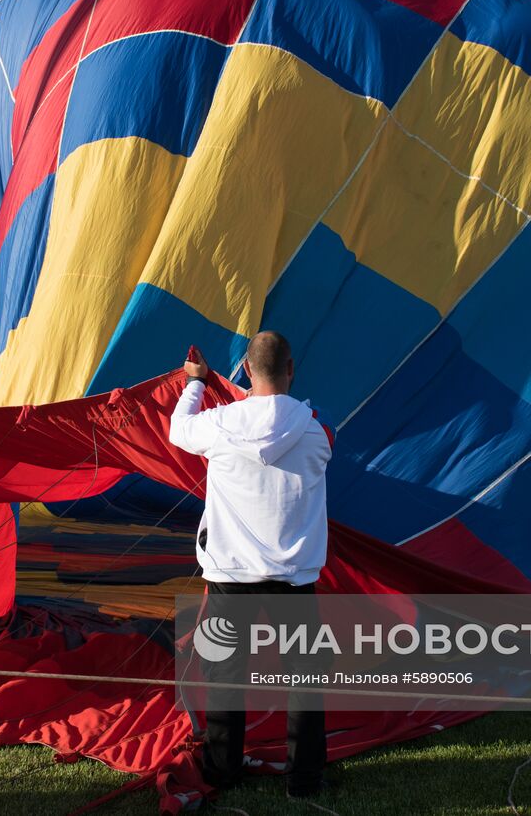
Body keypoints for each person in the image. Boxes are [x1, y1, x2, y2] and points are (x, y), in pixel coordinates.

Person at [168, 332, 333, 798]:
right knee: (305, 677)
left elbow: (177, 429)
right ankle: (304, 779)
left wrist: (196, 384)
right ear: (292, 369)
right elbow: (316, 448)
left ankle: (221, 770)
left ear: (243, 369)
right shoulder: (316, 432)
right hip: (293, 579)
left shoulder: (218, 424)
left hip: (229, 578)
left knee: (224, 672)